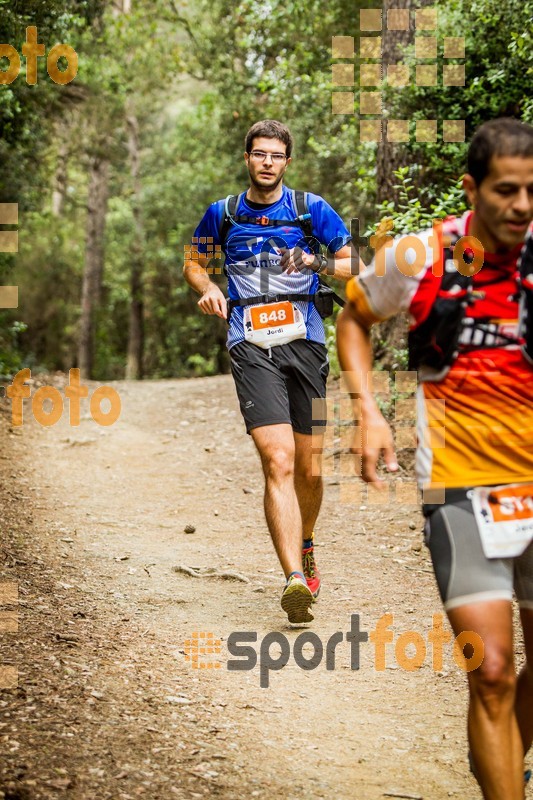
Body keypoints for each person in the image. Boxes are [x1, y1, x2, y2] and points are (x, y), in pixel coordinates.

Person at [336, 117, 533, 798]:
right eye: (505, 191)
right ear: (469, 188)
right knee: (491, 672)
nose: (521, 207)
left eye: (532, 192)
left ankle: (506, 755)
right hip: (458, 486)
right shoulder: (419, 256)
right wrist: (368, 412)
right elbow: (354, 317)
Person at [184, 119, 360, 624]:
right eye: (259, 154)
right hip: (249, 342)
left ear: (286, 161)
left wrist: (315, 261)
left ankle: (305, 543)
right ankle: (293, 580)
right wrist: (207, 286)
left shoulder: (310, 209)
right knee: (278, 459)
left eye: (275, 156)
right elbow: (193, 263)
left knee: (310, 466)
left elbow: (355, 265)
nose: (266, 162)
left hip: (306, 340)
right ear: (247, 158)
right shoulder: (223, 213)